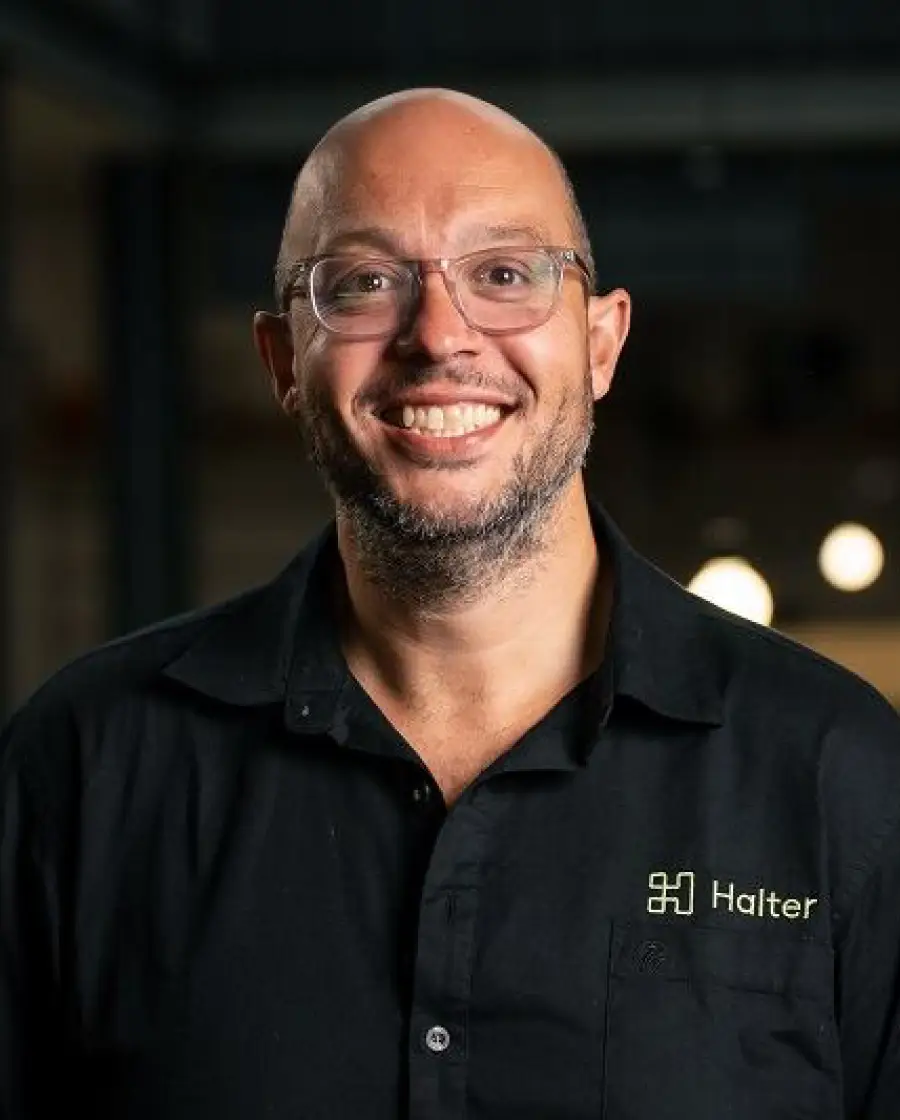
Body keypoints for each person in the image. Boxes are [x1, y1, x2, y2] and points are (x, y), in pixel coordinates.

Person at [1, 88, 899, 1120]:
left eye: (505, 274)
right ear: (283, 360)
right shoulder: (82, 770)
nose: (438, 337)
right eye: (364, 282)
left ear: (602, 344)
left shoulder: (841, 779)